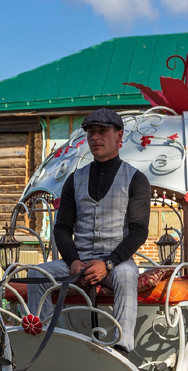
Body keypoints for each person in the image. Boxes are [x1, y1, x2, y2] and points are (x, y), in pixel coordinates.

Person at [27, 107, 150, 353]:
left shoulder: (136, 179)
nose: (95, 137)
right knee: (36, 275)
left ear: (119, 135)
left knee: (127, 276)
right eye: (91, 132)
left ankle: (121, 346)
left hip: (117, 262)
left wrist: (109, 263)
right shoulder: (74, 179)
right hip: (78, 261)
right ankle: (46, 341)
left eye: (102, 131)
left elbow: (139, 231)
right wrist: (73, 261)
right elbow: (62, 228)